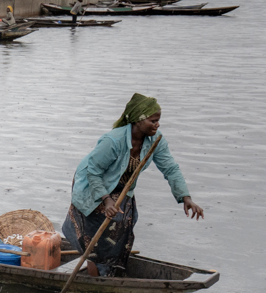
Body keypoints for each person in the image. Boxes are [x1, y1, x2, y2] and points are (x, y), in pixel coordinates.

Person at [62, 93, 204, 276]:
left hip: (122, 187)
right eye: (153, 121)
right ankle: (95, 275)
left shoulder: (156, 140)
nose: (157, 125)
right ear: (138, 120)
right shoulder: (113, 141)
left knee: (123, 225)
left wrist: (186, 198)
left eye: (158, 121)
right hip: (93, 184)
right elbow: (93, 172)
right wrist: (106, 201)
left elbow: (171, 168)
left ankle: (111, 270)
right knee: (96, 234)